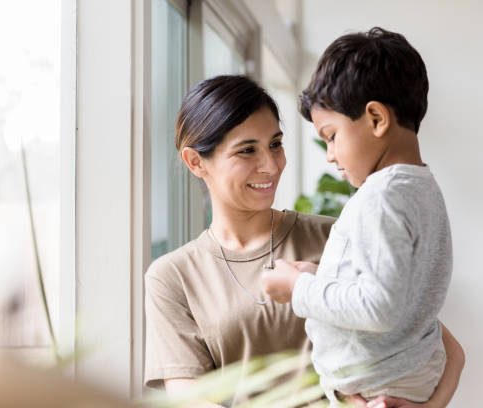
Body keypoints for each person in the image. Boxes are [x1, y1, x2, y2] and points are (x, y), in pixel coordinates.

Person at [144, 75, 464, 408]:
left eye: (275, 144)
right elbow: (187, 399)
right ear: (196, 162)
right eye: (247, 151)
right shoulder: (172, 277)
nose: (270, 165)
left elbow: (445, 348)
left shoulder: (334, 236)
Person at [262, 28, 456, 407]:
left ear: (376, 118)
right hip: (402, 376)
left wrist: (298, 289)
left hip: (378, 386)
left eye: (331, 136)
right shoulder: (421, 188)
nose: (330, 154)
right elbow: (396, 286)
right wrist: (319, 277)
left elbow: (379, 307)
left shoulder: (380, 197)